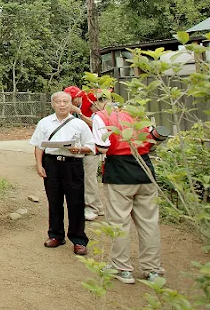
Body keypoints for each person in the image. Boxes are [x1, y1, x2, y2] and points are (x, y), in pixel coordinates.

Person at [92, 96, 166, 284]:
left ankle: (121, 267)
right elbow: (152, 141)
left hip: (119, 172)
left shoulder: (101, 117)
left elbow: (102, 147)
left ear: (100, 103)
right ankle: (152, 269)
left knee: (119, 221)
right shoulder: (137, 115)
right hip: (145, 170)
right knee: (149, 222)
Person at [30, 91, 96, 256]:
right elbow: (39, 146)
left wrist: (79, 149)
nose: (61, 105)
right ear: (52, 104)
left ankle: (79, 239)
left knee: (76, 202)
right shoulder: (44, 123)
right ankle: (55, 235)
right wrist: (39, 164)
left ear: (71, 104)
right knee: (54, 200)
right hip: (52, 164)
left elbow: (92, 146)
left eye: (65, 101)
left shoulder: (79, 124)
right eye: (58, 101)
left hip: (73, 164)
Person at [82, 91, 105, 221]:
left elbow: (96, 126)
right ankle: (98, 207)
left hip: (93, 148)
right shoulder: (88, 110)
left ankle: (92, 208)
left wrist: (80, 115)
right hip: (88, 148)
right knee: (90, 179)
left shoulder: (98, 115)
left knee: (89, 178)